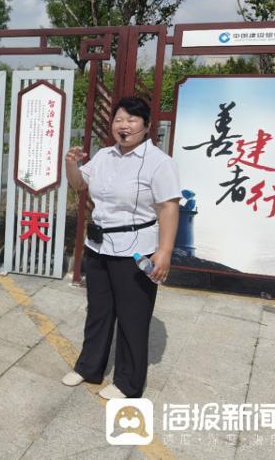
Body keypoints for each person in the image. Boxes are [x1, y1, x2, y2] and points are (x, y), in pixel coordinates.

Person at [62, 97, 180, 399]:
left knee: (132, 317)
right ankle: (89, 367)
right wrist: (71, 164)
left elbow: (168, 207)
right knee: (98, 310)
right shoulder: (105, 156)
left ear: (147, 126)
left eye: (132, 120)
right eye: (118, 120)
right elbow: (79, 184)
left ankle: (128, 383)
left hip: (135, 250)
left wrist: (164, 251)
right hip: (99, 246)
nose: (124, 126)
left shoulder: (159, 162)